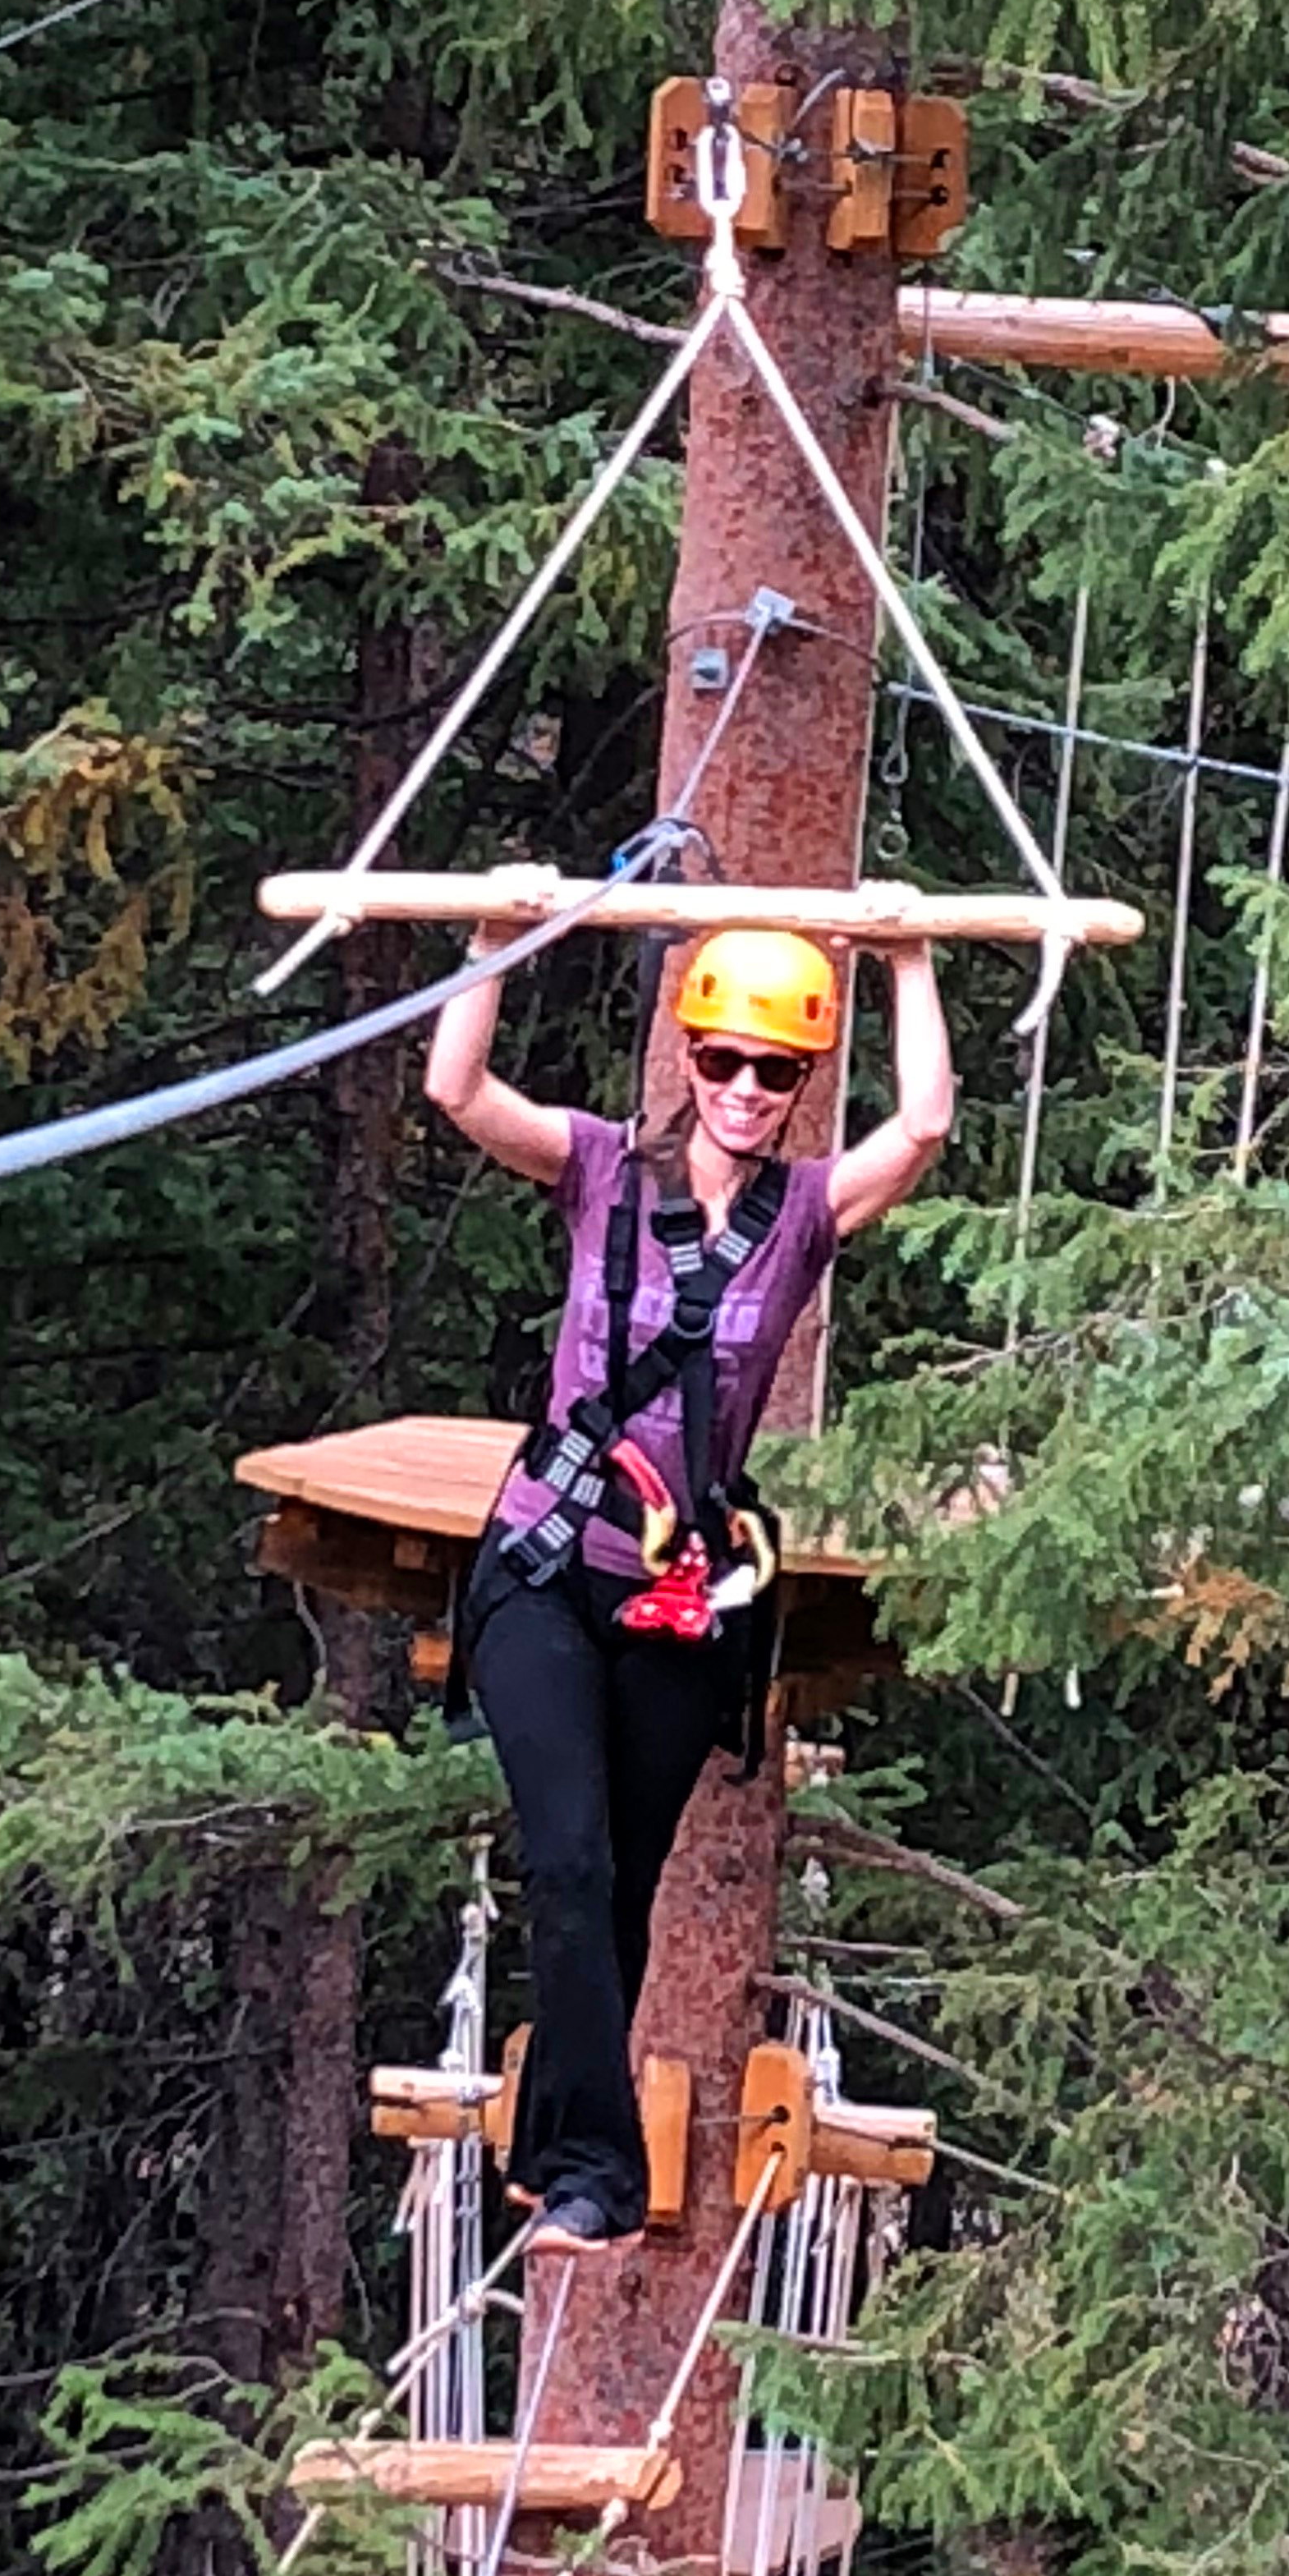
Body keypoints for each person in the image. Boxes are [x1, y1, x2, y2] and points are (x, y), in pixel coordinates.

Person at [424, 922, 955, 2252]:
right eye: (722, 1059)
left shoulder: (805, 1215)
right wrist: (493, 944)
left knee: (624, 1879)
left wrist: (908, 963)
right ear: (688, 1054)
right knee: (570, 1853)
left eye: (773, 1070)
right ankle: (598, 2167)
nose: (743, 1088)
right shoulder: (601, 1166)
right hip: (547, 1561)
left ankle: (558, 2150)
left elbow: (928, 1126)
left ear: (799, 1080)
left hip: (681, 1589)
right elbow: (458, 1092)